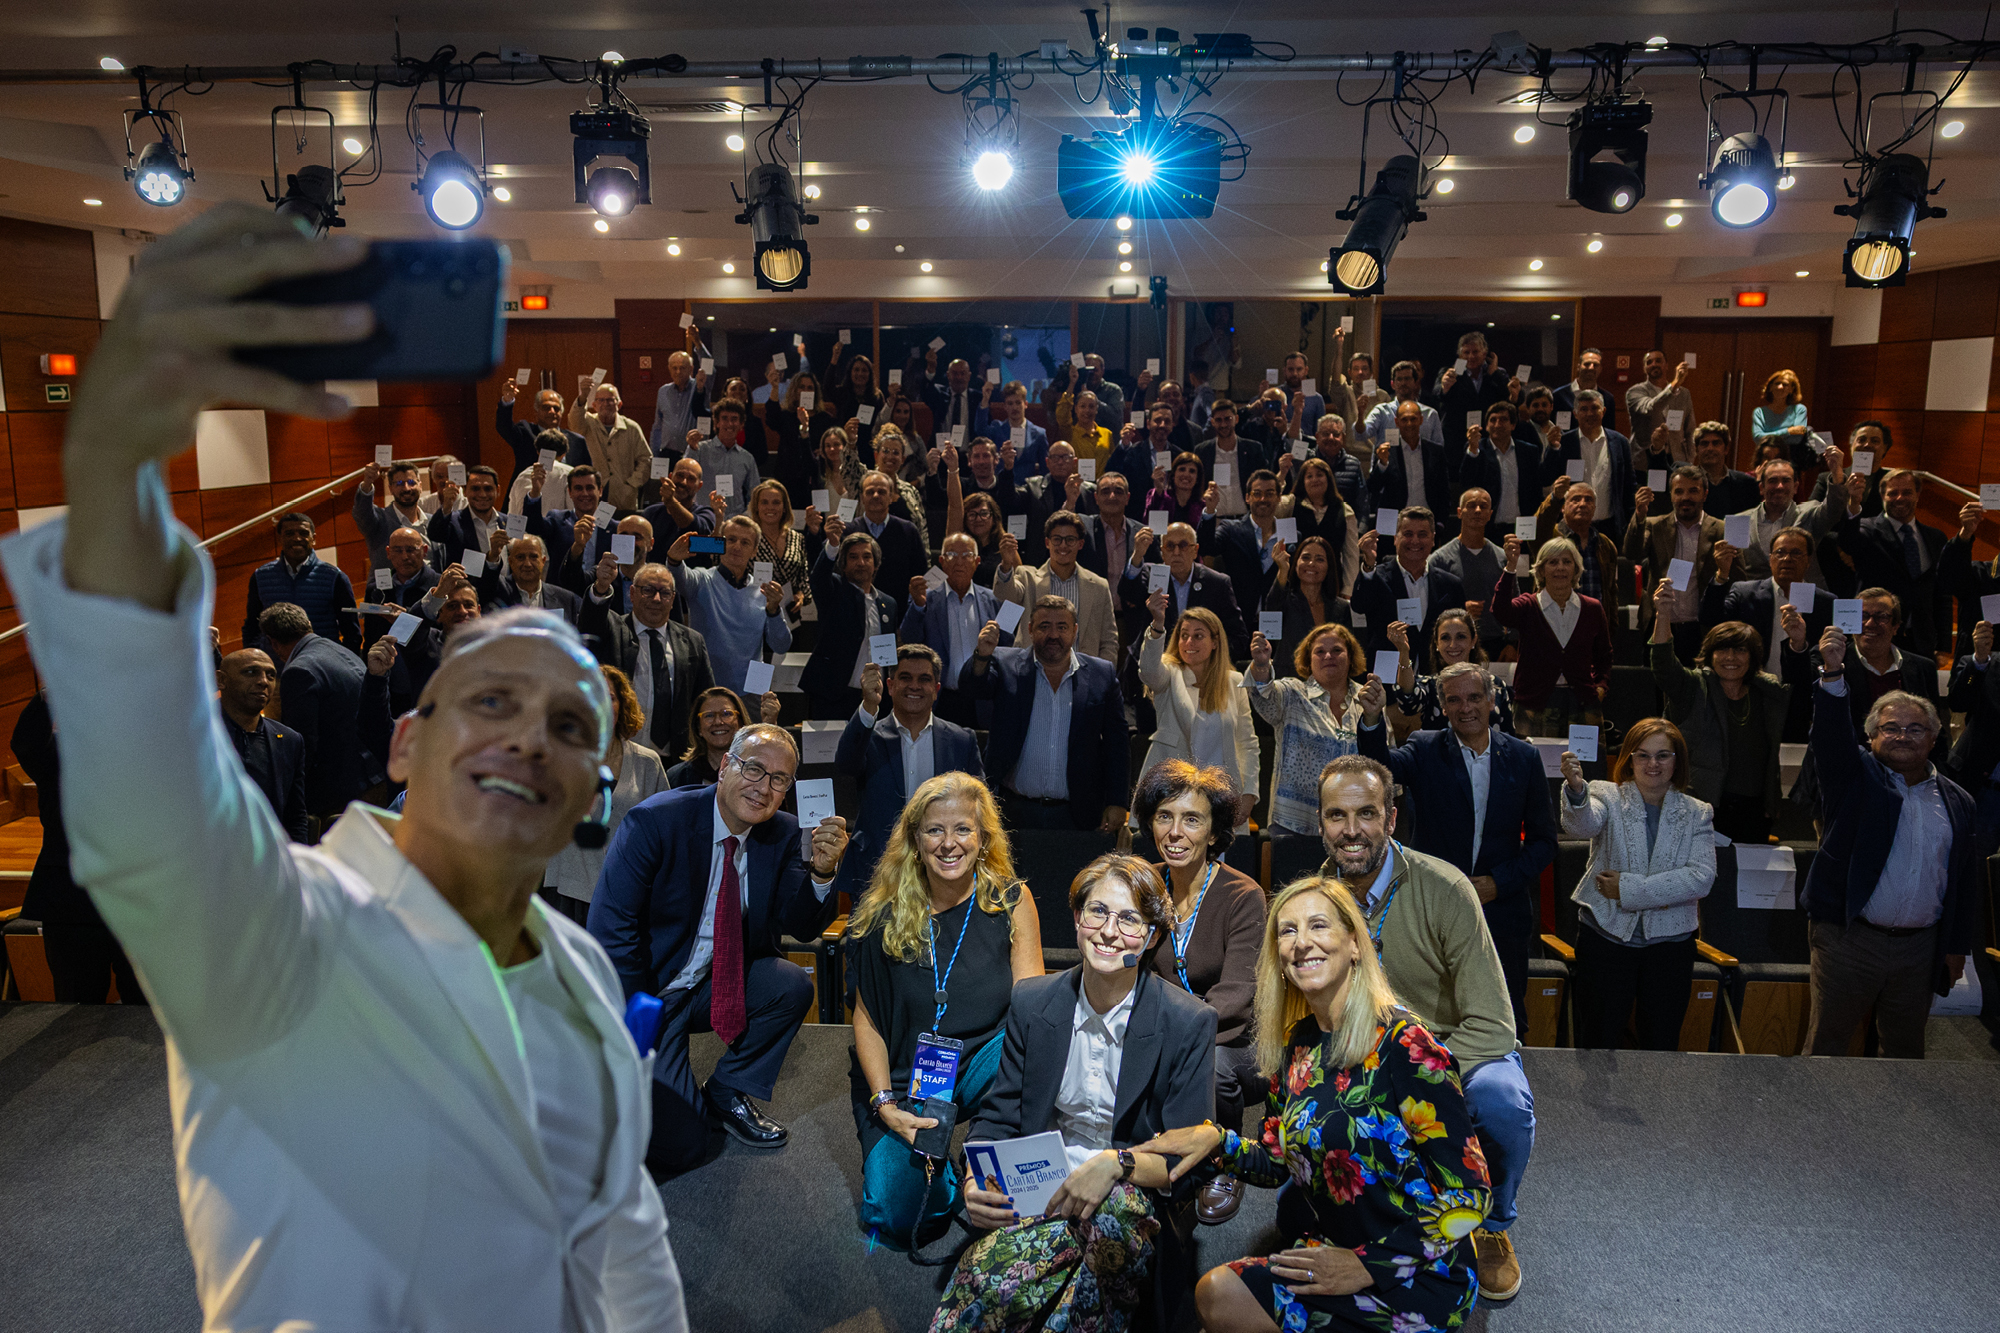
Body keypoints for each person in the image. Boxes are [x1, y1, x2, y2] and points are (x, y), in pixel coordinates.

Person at [14, 203, 688, 1328]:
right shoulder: (280, 928)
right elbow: (146, 787)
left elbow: (625, 1251)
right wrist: (111, 461)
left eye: (572, 729)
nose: (531, 736)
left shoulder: (580, 982)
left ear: (597, 794)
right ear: (403, 739)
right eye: (489, 700)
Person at [1154, 875, 1489, 1333]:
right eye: (1287, 931)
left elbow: (1470, 1193)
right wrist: (1215, 1140)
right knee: (1217, 1293)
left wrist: (1366, 1266)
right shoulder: (1296, 1047)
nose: (1301, 942)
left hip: (1417, 1271)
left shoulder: (1404, 1044)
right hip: (1333, 1252)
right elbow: (1277, 1161)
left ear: (1355, 943)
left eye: (1318, 926)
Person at [937, 854, 1216, 1333]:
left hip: (1131, 1195)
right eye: (1098, 912)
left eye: (1129, 919)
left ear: (1151, 937)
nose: (1109, 931)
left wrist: (1115, 1164)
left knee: (1099, 1230)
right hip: (1043, 1188)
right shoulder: (1032, 1001)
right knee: (990, 1284)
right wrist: (972, 1181)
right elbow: (999, 1116)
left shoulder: (1187, 1022)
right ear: (1077, 920)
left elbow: (1188, 1161)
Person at [1303, 756, 1530, 1299]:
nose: (1351, 830)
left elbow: (1495, 1026)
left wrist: (1413, 1076)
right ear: (1320, 823)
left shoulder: (1445, 888)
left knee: (1503, 1101)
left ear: (1391, 818)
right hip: (1358, 1057)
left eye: (1366, 814)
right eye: (1337, 815)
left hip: (1452, 1054)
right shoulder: (1314, 899)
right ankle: (1373, 1218)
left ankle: (1493, 1223)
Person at [590, 723, 848, 1175]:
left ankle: (725, 1091)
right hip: (648, 994)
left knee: (789, 984)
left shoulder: (783, 833)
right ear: (725, 765)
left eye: (779, 779)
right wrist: (633, 1030)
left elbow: (800, 926)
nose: (763, 787)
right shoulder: (656, 820)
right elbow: (612, 933)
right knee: (682, 1147)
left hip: (712, 982)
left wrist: (822, 876)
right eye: (753, 769)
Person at [847, 773, 1041, 1251]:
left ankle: (985, 1156)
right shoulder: (882, 914)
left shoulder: (1010, 900)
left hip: (985, 1062)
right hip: (906, 1078)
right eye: (935, 830)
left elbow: (1032, 1006)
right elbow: (867, 1020)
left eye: (963, 829)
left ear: (982, 838)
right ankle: (945, 1177)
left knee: (1034, 1045)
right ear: (915, 840)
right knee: (898, 1215)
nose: (949, 843)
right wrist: (885, 1107)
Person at [1358, 663, 1559, 1036]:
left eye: (1474, 697)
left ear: (1491, 700)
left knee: (1502, 1021)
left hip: (1502, 913)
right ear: (1444, 706)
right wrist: (1372, 720)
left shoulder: (1523, 757)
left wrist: (1497, 884)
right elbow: (1380, 770)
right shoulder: (1424, 747)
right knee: (1430, 1021)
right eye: (1454, 700)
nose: (1465, 708)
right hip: (1434, 910)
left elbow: (1544, 842)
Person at [1805, 628, 1978, 1059]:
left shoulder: (1959, 802)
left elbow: (1964, 882)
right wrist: (1832, 673)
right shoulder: (1855, 778)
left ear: (1934, 739)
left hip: (1920, 949)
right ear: (1871, 738)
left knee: (1904, 1053)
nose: (1903, 735)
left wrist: (1955, 948)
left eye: (1916, 728)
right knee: (1828, 1045)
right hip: (1850, 939)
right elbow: (1830, 740)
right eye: (1891, 728)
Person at [1131, 761, 1267, 1225]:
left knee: (1210, 1066)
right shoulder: (1142, 885)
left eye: (1192, 819)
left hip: (1236, 1044)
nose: (1175, 831)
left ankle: (1221, 1161)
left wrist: (1172, 1040)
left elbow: (1237, 997)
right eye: (1164, 816)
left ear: (1213, 833)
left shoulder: (1242, 896)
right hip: (1162, 1031)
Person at [1557, 721, 1717, 1051]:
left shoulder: (1697, 813)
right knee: (1597, 1042)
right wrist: (1576, 790)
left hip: (1670, 947)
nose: (1652, 764)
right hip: (1606, 938)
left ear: (1678, 761)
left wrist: (1628, 889)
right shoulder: (1605, 794)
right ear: (1629, 759)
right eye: (1642, 755)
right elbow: (1582, 824)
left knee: (1661, 1045)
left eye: (1662, 755)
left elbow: (1701, 877)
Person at [962, 595, 1130, 833]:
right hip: (1012, 811)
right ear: (1030, 630)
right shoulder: (1006, 664)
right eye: (1044, 626)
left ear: (1075, 631)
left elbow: (1117, 744)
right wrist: (982, 655)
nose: (1053, 635)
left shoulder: (1101, 674)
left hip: (1077, 814)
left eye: (1062, 627)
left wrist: (1117, 801)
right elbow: (972, 688)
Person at [835, 645, 986, 898]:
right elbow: (846, 765)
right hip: (877, 869)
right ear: (890, 686)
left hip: (945, 866)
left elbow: (981, 806)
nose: (914, 686)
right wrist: (868, 706)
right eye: (905, 678)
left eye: (924, 679)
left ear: (936, 690)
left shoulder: (962, 741)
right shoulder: (866, 736)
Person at [538, 665, 670, 926]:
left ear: (622, 705)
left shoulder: (648, 763)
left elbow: (664, 832)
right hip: (566, 891)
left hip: (626, 893)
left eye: (608, 696)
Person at [1650, 607, 1791, 843]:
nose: (1730, 657)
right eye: (1722, 649)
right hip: (1701, 806)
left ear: (1752, 656)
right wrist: (1663, 614)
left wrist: (1770, 799)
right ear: (1710, 654)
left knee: (1747, 879)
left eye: (1740, 650)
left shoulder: (1766, 692)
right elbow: (1663, 665)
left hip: (1754, 809)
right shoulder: (1693, 687)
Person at [1137, 604, 1260, 830]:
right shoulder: (1169, 673)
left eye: (1198, 636)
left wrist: (1249, 794)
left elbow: (1248, 743)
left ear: (1215, 643)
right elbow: (1148, 671)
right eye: (1184, 636)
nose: (1189, 642)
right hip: (1171, 795)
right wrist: (1156, 626)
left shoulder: (1234, 681)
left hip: (1221, 798)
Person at [579, 561, 715, 761]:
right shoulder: (612, 629)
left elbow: (705, 699)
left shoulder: (693, 641)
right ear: (632, 593)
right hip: (619, 752)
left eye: (665, 593)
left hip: (675, 757)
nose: (657, 598)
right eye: (648, 590)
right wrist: (601, 587)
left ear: (673, 599)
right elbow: (591, 621)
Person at [257, 601, 374, 830]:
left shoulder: (299, 671)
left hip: (340, 792)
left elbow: (302, 745)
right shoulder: (336, 648)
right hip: (370, 772)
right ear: (307, 624)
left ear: (273, 642)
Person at [1245, 621, 1368, 835]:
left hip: (1353, 826)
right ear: (1308, 660)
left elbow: (1383, 761)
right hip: (1293, 824)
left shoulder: (1368, 700)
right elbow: (1264, 694)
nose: (1328, 656)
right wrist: (1262, 665)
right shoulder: (1293, 693)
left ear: (1350, 656)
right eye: (1320, 651)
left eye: (1337, 650)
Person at [1491, 534, 1613, 738]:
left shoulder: (1592, 608)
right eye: (1553, 562)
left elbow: (1604, 655)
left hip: (1582, 704)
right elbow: (1500, 611)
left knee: (1587, 767)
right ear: (1541, 570)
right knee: (1534, 767)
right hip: (1534, 704)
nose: (1560, 568)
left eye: (1567, 562)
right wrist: (1511, 567)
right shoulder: (1528, 605)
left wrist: (1601, 687)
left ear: (1576, 568)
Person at [664, 516, 793, 696]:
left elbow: (781, 646)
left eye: (745, 542)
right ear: (720, 543)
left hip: (753, 688)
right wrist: (674, 560)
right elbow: (676, 578)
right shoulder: (702, 579)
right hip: (707, 686)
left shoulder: (764, 592)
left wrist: (773, 610)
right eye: (731, 540)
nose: (737, 546)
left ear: (755, 551)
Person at [1833, 468, 1951, 656]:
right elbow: (1848, 543)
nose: (1899, 498)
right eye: (1893, 493)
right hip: (1874, 636)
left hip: (1921, 641)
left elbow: (1941, 593)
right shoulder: (1867, 529)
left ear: (1918, 495)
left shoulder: (1936, 538)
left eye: (1907, 492)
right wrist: (1854, 502)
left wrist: (1943, 645)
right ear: (1882, 496)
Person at [901, 531, 1012, 727]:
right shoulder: (925, 598)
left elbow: (1005, 650)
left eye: (966, 555)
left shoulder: (993, 601)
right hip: (940, 698)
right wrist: (917, 606)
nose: (959, 562)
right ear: (942, 562)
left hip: (981, 701)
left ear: (977, 562)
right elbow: (909, 640)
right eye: (952, 555)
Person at [1626, 465, 1727, 662]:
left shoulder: (1721, 530)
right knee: (1656, 689)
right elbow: (1632, 553)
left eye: (1693, 491)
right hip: (1660, 625)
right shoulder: (1653, 525)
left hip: (1702, 629)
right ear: (1671, 495)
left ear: (1705, 494)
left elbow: (1738, 577)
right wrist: (1639, 515)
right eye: (1679, 491)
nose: (1685, 497)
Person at [997, 509, 1122, 664]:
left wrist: (1101, 676)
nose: (1063, 545)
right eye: (1057, 539)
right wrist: (1006, 565)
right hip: (1033, 671)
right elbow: (1004, 598)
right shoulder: (1026, 577)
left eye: (1070, 539)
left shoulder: (1099, 586)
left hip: (1083, 676)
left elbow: (1109, 640)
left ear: (1080, 544)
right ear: (1047, 543)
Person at [1350, 506, 1465, 674]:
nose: (1415, 541)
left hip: (1434, 672)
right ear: (1396, 538)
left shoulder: (1451, 584)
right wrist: (1368, 564)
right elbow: (1359, 605)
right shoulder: (1376, 576)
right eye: (1408, 534)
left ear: (1433, 539)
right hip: (1387, 672)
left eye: (1422, 535)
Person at [803, 528, 900, 720]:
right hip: (833, 695)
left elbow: (889, 652)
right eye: (853, 557)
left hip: (874, 697)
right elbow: (818, 578)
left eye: (867, 557)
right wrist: (832, 545)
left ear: (876, 564)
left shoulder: (888, 603)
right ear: (844, 565)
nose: (861, 563)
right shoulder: (834, 590)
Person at [216, 648, 310, 843]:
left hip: (265, 861)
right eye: (251, 672)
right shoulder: (195, 734)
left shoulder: (290, 740)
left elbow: (295, 816)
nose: (263, 682)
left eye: (271, 675)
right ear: (221, 680)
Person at [1386, 607, 1518, 737]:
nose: (1452, 644)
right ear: (1436, 644)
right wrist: (1403, 652)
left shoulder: (1496, 685)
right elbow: (1408, 702)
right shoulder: (1430, 686)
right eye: (1445, 638)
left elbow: (1509, 740)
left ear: (1473, 640)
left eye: (1461, 637)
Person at [241, 511, 359, 652]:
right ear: (279, 538)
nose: (297, 538)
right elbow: (252, 626)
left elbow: (351, 630)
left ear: (313, 538)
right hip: (276, 667)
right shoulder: (261, 576)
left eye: (303, 533)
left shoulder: (334, 577)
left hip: (320, 664)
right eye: (289, 533)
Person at [1137, 520, 1251, 661]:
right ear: (1162, 552)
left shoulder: (1217, 583)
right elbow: (1127, 593)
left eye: (1183, 545)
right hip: (1158, 664)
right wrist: (1137, 556)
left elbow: (1238, 637)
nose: (1176, 552)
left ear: (1195, 551)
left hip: (1204, 668)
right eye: (1170, 546)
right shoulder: (1150, 576)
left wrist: (1208, 659)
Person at [1531, 477, 1624, 627]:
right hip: (1554, 626)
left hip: (1595, 627)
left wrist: (1610, 629)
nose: (1582, 504)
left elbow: (1611, 592)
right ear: (1563, 507)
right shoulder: (1550, 537)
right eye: (1575, 499)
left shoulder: (1605, 544)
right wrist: (1554, 499)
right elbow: (1537, 529)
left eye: (1588, 500)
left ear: (1594, 508)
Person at [1430, 487, 1508, 657]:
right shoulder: (1439, 560)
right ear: (1459, 512)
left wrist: (1512, 643)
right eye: (1471, 505)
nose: (1478, 511)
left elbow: (1513, 602)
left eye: (1483, 506)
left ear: (1490, 513)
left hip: (1495, 644)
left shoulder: (1502, 557)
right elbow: (1429, 605)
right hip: (1453, 646)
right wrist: (1459, 609)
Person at [1548, 388, 1634, 540]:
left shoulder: (1620, 443)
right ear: (1575, 414)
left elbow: (1629, 486)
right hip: (1572, 527)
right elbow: (1547, 476)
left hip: (1610, 527)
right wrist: (1553, 449)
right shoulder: (1564, 443)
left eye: (1595, 408)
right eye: (1584, 409)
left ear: (1603, 411)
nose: (1589, 413)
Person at [1262, 534, 1353, 673]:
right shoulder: (1283, 601)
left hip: (1329, 682)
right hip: (1289, 683)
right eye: (1305, 557)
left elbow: (1347, 652)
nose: (1311, 564)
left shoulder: (1342, 608)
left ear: (1329, 567)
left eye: (1320, 559)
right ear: (1296, 563)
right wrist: (1282, 570)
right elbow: (1271, 609)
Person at [1366, 400, 1456, 530]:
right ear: (1397, 422)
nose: (1409, 424)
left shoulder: (1435, 451)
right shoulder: (1385, 452)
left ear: (1421, 420)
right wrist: (1383, 464)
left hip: (1426, 521)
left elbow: (1443, 490)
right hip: (1392, 524)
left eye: (1413, 419)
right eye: (1404, 419)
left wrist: (1441, 522)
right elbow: (1373, 488)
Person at [1276, 454, 1359, 589]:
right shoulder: (1291, 504)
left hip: (1332, 583)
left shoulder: (1344, 510)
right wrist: (1282, 475)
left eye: (1319, 475)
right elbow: (1270, 505)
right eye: (1309, 476)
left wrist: (1349, 589)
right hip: (1295, 583)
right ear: (1302, 481)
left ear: (1328, 479)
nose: (1315, 479)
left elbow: (1351, 555)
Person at [569, 380, 652, 511]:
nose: (605, 404)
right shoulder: (588, 423)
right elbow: (574, 421)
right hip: (594, 494)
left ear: (619, 404)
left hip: (624, 497)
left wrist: (632, 484)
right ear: (594, 405)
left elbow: (646, 459)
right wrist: (583, 396)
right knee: (596, 528)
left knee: (624, 529)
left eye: (610, 400)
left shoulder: (631, 427)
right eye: (601, 400)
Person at [351, 461, 438, 573]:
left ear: (420, 486)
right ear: (391, 488)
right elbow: (362, 513)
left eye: (411, 482)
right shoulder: (379, 520)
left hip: (431, 587)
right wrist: (367, 483)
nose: (406, 488)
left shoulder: (433, 522)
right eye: (400, 483)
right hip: (392, 588)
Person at [478, 533, 583, 624]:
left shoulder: (565, 599)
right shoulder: (496, 590)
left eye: (533, 557)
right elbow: (487, 584)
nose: (527, 564)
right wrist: (493, 555)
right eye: (520, 557)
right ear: (510, 562)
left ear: (543, 561)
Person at [495, 380, 583, 483]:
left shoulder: (577, 441)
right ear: (536, 412)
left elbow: (587, 474)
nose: (552, 412)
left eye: (556, 408)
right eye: (546, 407)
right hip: (529, 491)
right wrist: (507, 401)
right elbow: (504, 427)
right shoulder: (525, 433)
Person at [427, 463, 509, 571]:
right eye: (475, 489)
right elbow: (435, 535)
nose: (482, 494)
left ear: (498, 490)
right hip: (469, 586)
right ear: (465, 491)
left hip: (507, 587)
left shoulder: (508, 522)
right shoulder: (453, 521)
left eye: (488, 489)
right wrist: (446, 507)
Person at [689, 401, 763, 518]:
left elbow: (755, 494)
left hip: (735, 522)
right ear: (717, 423)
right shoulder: (699, 449)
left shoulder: (747, 458)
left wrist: (745, 517)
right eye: (724, 418)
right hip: (704, 518)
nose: (729, 423)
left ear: (741, 425)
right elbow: (686, 476)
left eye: (734, 419)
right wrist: (691, 448)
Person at [1625, 351, 1695, 468]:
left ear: (1666, 365)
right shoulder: (1635, 392)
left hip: (1676, 461)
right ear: (1644, 368)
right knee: (1652, 487)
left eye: (1658, 361)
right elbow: (1651, 408)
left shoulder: (1683, 394)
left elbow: (1690, 430)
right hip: (1646, 462)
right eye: (1649, 362)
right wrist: (1674, 385)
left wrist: (1690, 459)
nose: (1654, 364)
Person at [1692, 421, 1760, 519]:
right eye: (1704, 444)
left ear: (1726, 449)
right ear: (1696, 450)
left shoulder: (1746, 484)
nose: (1710, 448)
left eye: (1716, 443)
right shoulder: (1687, 482)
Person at [648, 350, 709, 456]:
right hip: (666, 452)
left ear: (691, 369)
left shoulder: (700, 386)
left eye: (682, 368)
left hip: (692, 452)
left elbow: (709, 366)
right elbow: (658, 426)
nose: (678, 372)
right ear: (669, 369)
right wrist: (654, 453)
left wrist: (697, 343)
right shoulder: (663, 391)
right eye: (674, 368)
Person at [1750, 368, 1810, 455]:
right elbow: (1758, 438)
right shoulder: (1759, 412)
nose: (1780, 387)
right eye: (1777, 383)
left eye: (1785, 384)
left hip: (1790, 461)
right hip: (1766, 458)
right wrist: (1788, 431)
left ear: (1791, 389)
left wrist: (1768, 437)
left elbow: (1796, 439)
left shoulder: (1799, 410)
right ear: (1770, 387)